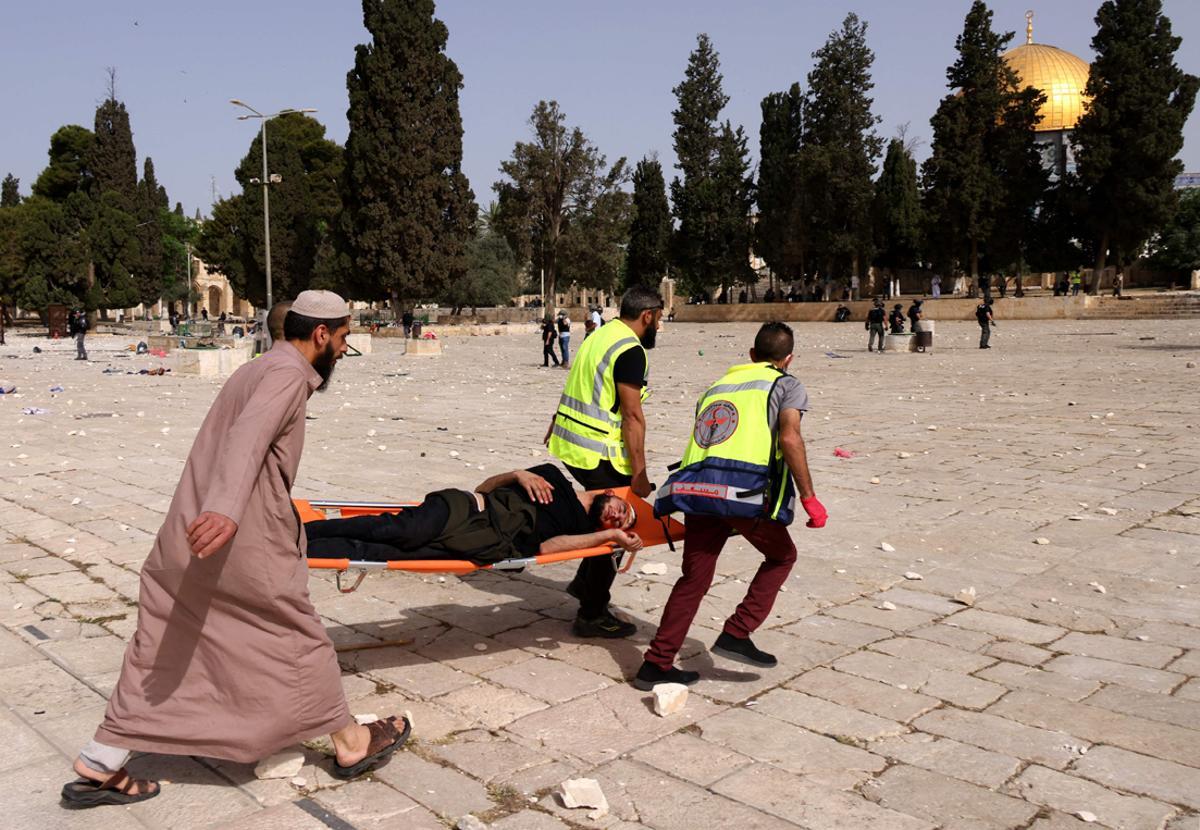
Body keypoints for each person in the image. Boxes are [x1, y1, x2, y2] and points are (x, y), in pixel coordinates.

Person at [60, 290, 409, 810]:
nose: (342, 350)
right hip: (240, 535)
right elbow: (248, 437)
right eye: (343, 339)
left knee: (165, 641)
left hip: (188, 529)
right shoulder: (288, 375)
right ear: (320, 335)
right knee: (297, 636)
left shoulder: (258, 367)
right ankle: (351, 743)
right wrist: (225, 508)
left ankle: (101, 759)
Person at [635, 322, 826, 689]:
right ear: (788, 359)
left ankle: (656, 662)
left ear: (752, 355)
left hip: (699, 491)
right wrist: (809, 497)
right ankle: (737, 632)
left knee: (694, 578)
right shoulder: (786, 384)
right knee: (782, 557)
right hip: (743, 495)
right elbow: (789, 436)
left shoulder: (716, 386)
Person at [544, 286, 663, 638]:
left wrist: (555, 421)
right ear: (647, 316)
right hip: (597, 451)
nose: (660, 325)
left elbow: (579, 384)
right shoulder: (630, 350)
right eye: (660, 318)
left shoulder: (601, 335)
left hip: (571, 442)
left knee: (602, 517)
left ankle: (584, 585)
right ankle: (591, 613)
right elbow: (632, 416)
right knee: (618, 525)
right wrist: (639, 475)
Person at [306, 465, 643, 563]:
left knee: (378, 554)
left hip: (478, 545)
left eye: (618, 522)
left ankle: (300, 551)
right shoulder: (552, 476)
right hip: (463, 510)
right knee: (395, 530)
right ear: (610, 494)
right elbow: (483, 487)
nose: (616, 517)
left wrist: (611, 537)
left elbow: (545, 549)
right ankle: (305, 530)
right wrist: (516, 475)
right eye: (622, 511)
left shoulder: (582, 532)